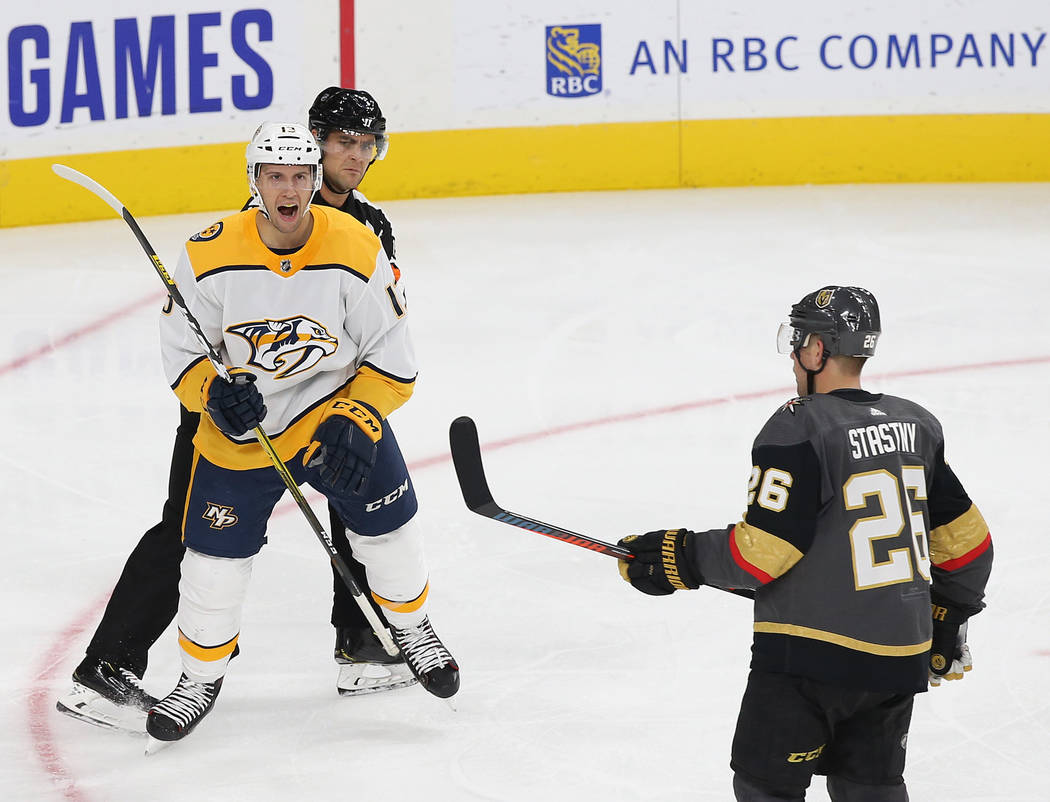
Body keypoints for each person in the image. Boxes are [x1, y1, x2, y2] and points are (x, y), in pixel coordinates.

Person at [58, 89, 421, 732]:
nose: (356, 156)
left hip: (325, 400)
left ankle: (362, 644)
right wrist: (214, 393)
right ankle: (107, 666)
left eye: (367, 144)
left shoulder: (368, 225)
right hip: (234, 414)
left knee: (352, 497)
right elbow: (206, 334)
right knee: (191, 527)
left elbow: (377, 322)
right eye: (343, 142)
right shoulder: (252, 226)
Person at [145, 120, 458, 745]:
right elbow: (181, 351)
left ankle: (413, 627)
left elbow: (395, 358)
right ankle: (199, 676)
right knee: (213, 566)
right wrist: (212, 395)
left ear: (315, 180)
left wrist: (359, 417)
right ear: (253, 180)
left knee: (390, 532)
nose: (287, 190)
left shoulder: (356, 244)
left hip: (334, 413)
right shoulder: (208, 251)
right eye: (274, 175)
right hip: (245, 432)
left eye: (299, 175)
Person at [616, 286, 992, 801]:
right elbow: (969, 546)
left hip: (809, 661)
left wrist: (678, 557)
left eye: (798, 341)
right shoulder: (917, 424)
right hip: (898, 658)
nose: (793, 355)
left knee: (765, 785)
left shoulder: (800, 426)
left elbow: (761, 554)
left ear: (817, 350)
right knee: (870, 788)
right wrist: (948, 619)